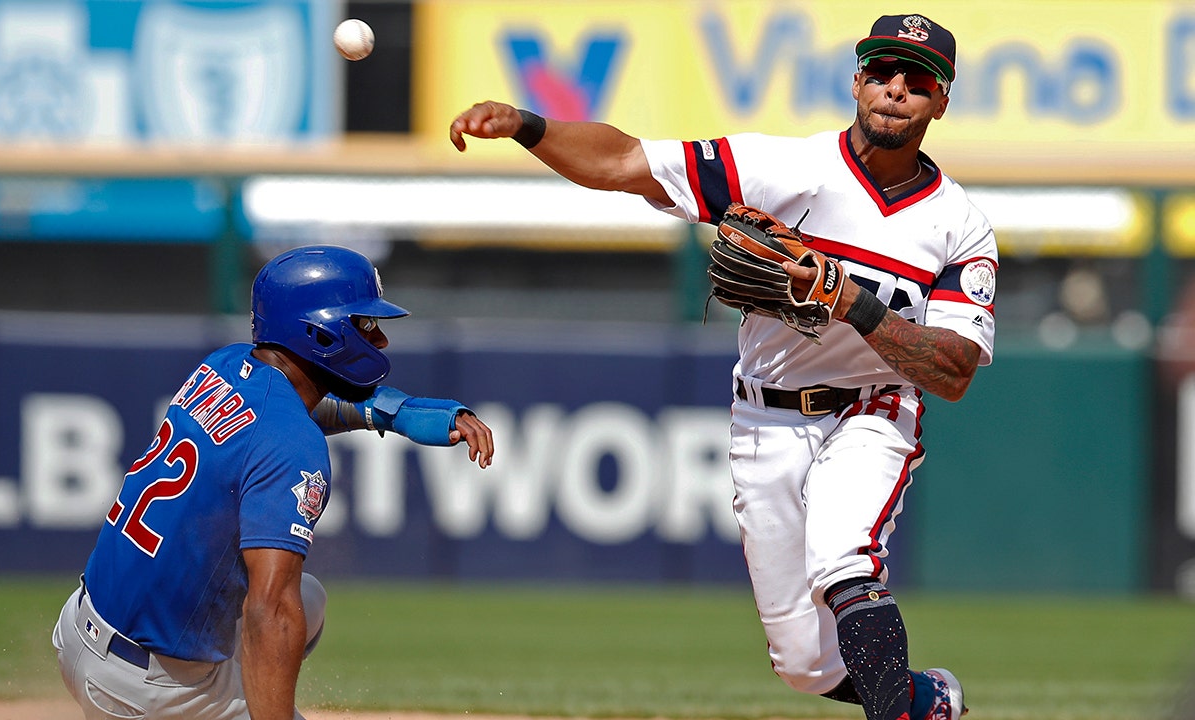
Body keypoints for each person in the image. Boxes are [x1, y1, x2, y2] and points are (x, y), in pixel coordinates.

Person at [449, 12, 993, 720]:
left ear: (941, 101)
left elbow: (952, 372)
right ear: (856, 80)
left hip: (872, 407)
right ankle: (927, 702)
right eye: (882, 71)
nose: (896, 88)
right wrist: (527, 125)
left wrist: (844, 298)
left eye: (916, 80)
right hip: (766, 412)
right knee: (803, 665)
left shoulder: (959, 224)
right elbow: (624, 162)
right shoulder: (783, 169)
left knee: (845, 559)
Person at [52, 245, 495, 720]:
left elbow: (294, 414)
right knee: (285, 607)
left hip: (78, 630)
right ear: (320, 332)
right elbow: (270, 611)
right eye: (365, 324)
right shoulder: (293, 443)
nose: (380, 339)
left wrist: (401, 413)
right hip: (150, 693)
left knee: (310, 599)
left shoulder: (224, 365)